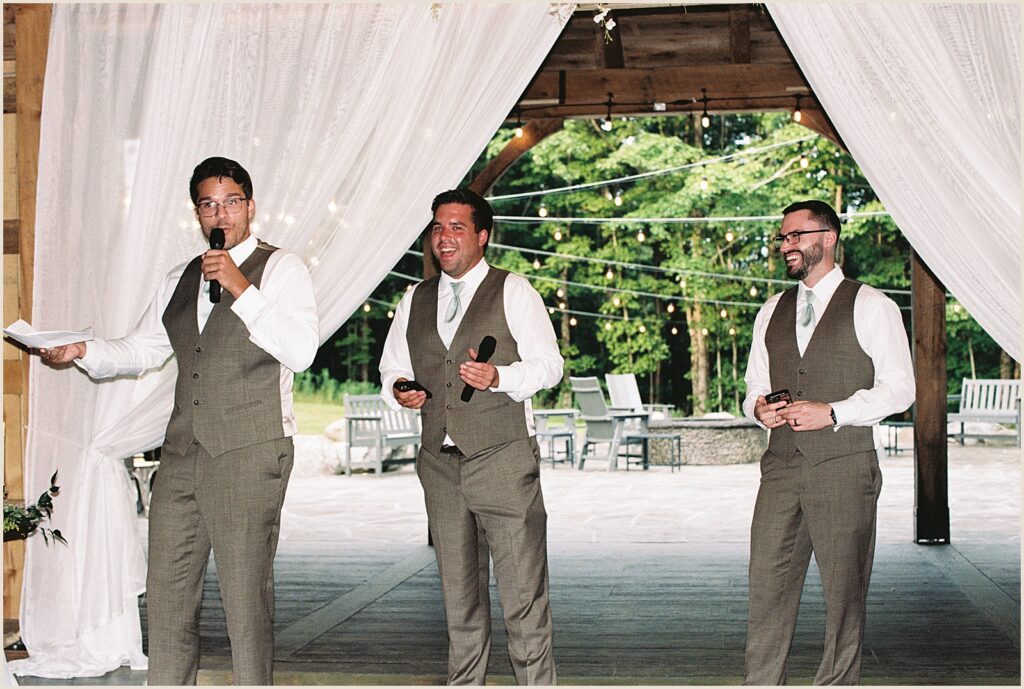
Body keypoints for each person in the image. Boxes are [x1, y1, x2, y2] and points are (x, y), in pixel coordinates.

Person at [39, 157, 319, 685]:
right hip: (183, 452)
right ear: (197, 211)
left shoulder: (282, 269)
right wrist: (82, 349)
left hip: (250, 449)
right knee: (167, 594)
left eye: (231, 201)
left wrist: (241, 287)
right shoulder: (180, 276)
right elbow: (143, 349)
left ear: (250, 206)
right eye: (208, 203)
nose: (221, 214)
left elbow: (301, 351)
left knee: (244, 597)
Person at [379, 189, 563, 685]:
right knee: (458, 599)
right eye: (438, 227)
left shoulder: (513, 291)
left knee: (523, 598)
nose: (445, 237)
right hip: (439, 464)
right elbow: (392, 364)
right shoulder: (413, 298)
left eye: (457, 227)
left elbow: (551, 366)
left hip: (502, 459)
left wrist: (500, 378)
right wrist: (400, 388)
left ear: (482, 236)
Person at [740, 199, 915, 685]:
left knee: (844, 597)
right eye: (782, 237)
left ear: (829, 237)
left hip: (844, 468)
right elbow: (755, 385)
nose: (786, 245)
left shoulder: (872, 305)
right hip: (779, 471)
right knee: (766, 590)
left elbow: (901, 389)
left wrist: (834, 412)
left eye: (796, 235)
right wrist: (758, 409)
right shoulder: (771, 309)